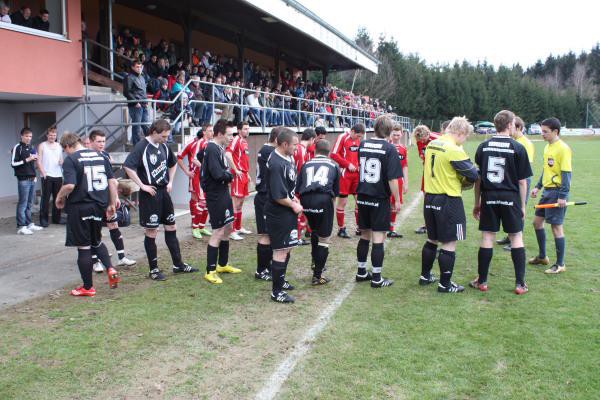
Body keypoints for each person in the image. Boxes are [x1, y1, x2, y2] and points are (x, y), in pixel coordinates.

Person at [124, 119, 197, 281]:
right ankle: (154, 270)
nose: (166, 139)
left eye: (167, 136)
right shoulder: (142, 146)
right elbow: (128, 166)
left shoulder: (163, 146)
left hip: (164, 193)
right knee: (152, 231)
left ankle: (178, 264)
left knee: (171, 226)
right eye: (163, 136)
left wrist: (170, 181)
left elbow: (173, 163)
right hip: (150, 194)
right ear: (154, 132)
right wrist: (142, 185)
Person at [470, 110, 532, 295]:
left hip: (489, 196)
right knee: (516, 237)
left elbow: (479, 179)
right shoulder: (518, 147)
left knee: (488, 237)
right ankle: (520, 284)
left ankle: (482, 281)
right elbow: (522, 182)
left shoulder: (483, 147)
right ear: (510, 125)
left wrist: (477, 202)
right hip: (510, 197)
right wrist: (522, 206)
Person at [55, 133, 120, 297]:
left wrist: (59, 197)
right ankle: (110, 268)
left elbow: (69, 185)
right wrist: (112, 203)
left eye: (65, 150)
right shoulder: (101, 156)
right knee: (96, 241)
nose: (66, 153)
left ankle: (88, 287)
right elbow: (113, 182)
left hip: (80, 207)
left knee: (83, 246)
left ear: (67, 146)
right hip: (98, 206)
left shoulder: (71, 159)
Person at [420, 117, 479, 293]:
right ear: (460, 133)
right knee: (450, 242)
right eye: (465, 136)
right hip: (448, 199)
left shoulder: (432, 144)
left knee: (432, 238)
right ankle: (445, 284)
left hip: (430, 197)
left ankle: (425, 276)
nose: (465, 140)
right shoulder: (454, 149)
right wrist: (464, 179)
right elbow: (473, 174)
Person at [354, 115, 402, 288]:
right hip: (379, 197)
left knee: (365, 235)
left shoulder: (363, 144)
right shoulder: (390, 148)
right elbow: (392, 179)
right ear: (389, 131)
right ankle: (376, 278)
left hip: (363, 195)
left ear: (374, 128)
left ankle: (361, 272)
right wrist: (397, 199)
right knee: (378, 237)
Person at [200, 119, 242, 284]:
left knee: (228, 227)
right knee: (218, 231)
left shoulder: (219, 148)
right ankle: (210, 271)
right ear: (219, 134)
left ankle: (222, 265)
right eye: (229, 135)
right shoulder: (211, 148)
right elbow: (218, 174)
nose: (232, 138)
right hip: (215, 195)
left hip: (223, 192)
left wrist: (226, 175)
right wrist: (230, 175)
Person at [88, 130, 136, 270]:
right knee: (94, 230)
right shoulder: (86, 157)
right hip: (92, 200)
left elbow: (111, 180)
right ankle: (95, 261)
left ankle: (121, 257)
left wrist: (114, 198)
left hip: (105, 198)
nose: (102, 144)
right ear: (91, 142)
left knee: (113, 224)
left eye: (103, 141)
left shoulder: (105, 155)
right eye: (99, 141)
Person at [529, 117, 572, 274]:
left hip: (557, 192)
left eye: (545, 132)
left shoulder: (563, 149)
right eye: (542, 131)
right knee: (537, 222)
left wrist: (563, 196)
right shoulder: (547, 147)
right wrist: (538, 186)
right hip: (547, 192)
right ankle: (542, 257)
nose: (542, 134)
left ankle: (560, 264)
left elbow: (566, 174)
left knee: (556, 227)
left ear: (556, 131)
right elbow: (546, 170)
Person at [296, 139, 340, 285]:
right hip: (323, 199)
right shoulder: (333, 165)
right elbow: (335, 193)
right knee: (324, 239)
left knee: (314, 231)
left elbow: (298, 187)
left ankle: (315, 262)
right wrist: (330, 210)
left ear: (315, 151)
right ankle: (318, 275)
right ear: (329, 152)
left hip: (306, 200)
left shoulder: (306, 164)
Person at [265, 128, 302, 303]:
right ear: (285, 144)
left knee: (287, 248)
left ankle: (281, 281)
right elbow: (279, 196)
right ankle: (276, 292)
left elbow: (287, 187)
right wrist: (294, 205)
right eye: (294, 145)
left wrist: (293, 198)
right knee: (280, 250)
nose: (297, 147)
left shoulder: (288, 157)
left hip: (286, 211)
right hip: (278, 213)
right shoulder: (276, 164)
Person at [497, 116, 535, 250]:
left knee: (519, 209)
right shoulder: (515, 141)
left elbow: (524, 168)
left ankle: (517, 239)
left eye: (513, 127)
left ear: (518, 128)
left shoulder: (525, 143)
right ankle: (509, 236)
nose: (511, 129)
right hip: (513, 180)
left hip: (522, 179)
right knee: (511, 208)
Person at [254, 127, 281, 282]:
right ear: (277, 140)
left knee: (269, 235)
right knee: (265, 235)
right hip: (264, 196)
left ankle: (267, 266)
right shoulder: (269, 152)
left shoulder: (265, 150)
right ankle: (261, 270)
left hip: (266, 196)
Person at [330, 123, 365, 238]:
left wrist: (359, 165)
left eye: (361, 137)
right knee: (343, 202)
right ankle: (341, 229)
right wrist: (347, 164)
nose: (359, 138)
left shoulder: (359, 140)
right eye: (358, 136)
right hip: (345, 175)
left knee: (360, 202)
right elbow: (333, 154)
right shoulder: (342, 137)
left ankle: (359, 227)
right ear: (352, 131)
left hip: (357, 175)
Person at [177, 126, 211, 239]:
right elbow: (179, 157)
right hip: (195, 175)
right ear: (203, 133)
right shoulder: (192, 143)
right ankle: (195, 223)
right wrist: (187, 171)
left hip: (204, 176)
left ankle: (199, 225)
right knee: (196, 199)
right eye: (210, 131)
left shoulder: (208, 143)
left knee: (200, 200)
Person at [12, 128, 43, 235]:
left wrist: (34, 175)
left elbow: (33, 163)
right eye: (26, 136)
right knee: (23, 203)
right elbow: (13, 164)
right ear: (22, 136)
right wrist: (27, 160)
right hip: (23, 180)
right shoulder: (17, 147)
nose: (29, 138)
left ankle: (29, 224)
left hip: (32, 179)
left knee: (30, 203)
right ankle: (21, 226)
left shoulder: (31, 147)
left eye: (30, 136)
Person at [413, 124, 443, 234]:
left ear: (428, 134)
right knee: (427, 197)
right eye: (420, 140)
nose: (422, 141)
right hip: (427, 172)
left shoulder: (439, 139)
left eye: (423, 139)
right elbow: (422, 156)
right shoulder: (419, 141)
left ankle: (440, 224)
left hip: (440, 173)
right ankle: (428, 225)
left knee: (440, 197)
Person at [226, 121, 252, 240]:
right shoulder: (236, 139)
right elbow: (228, 154)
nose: (247, 131)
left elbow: (243, 159)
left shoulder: (244, 142)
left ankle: (238, 227)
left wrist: (248, 174)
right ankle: (231, 231)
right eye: (245, 129)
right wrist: (236, 170)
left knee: (240, 204)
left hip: (244, 174)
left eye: (248, 128)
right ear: (239, 130)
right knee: (235, 204)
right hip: (238, 176)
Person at [37, 126, 63, 227]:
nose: (52, 137)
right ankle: (43, 220)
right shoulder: (42, 145)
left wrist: (61, 162)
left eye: (54, 135)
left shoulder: (59, 146)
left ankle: (57, 219)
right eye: (50, 135)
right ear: (47, 135)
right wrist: (43, 173)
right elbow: (39, 161)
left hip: (58, 175)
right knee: (45, 199)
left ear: (56, 136)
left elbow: (61, 159)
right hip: (47, 175)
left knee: (58, 198)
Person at [294, 128, 316, 242]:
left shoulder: (297, 147)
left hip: (295, 184)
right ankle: (297, 237)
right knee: (300, 210)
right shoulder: (301, 150)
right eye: (314, 140)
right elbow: (302, 170)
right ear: (311, 139)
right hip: (298, 185)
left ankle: (302, 233)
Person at [388, 124, 408, 238]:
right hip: (387, 180)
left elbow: (405, 166)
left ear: (402, 134)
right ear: (390, 134)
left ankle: (391, 229)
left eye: (398, 135)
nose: (396, 137)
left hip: (399, 180)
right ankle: (381, 227)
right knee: (385, 204)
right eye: (394, 134)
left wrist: (406, 182)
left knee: (395, 205)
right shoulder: (387, 146)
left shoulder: (403, 148)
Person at [123, 60, 149, 145]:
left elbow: (143, 91)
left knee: (146, 125)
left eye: (140, 67)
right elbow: (126, 92)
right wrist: (135, 102)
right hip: (135, 105)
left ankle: (151, 143)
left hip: (143, 104)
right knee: (137, 127)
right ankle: (137, 146)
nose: (139, 68)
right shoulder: (129, 77)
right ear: (132, 67)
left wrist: (146, 101)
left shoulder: (142, 77)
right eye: (137, 67)